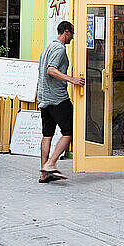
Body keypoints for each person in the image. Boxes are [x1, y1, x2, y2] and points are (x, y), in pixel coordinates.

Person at [37, 20, 85, 182]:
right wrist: (72, 80)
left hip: (44, 98)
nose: (73, 37)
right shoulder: (59, 49)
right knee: (69, 131)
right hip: (57, 98)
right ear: (66, 32)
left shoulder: (48, 47)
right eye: (72, 33)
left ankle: (44, 174)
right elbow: (51, 70)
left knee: (47, 134)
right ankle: (51, 164)